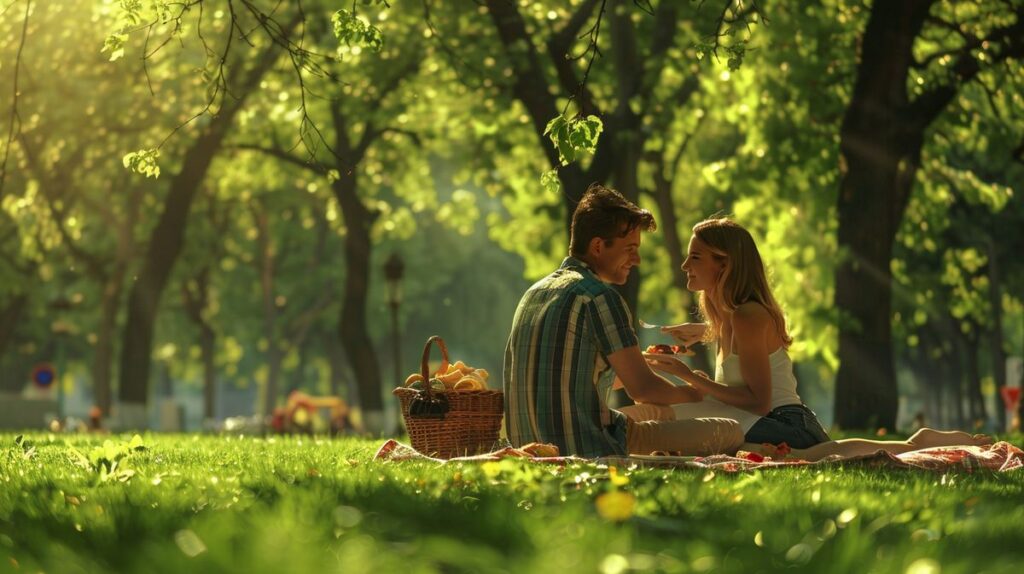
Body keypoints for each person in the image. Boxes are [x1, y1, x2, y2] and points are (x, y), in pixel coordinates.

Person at [635, 216, 991, 462]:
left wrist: (688, 376)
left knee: (691, 413)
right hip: (782, 424)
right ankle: (918, 442)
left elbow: (757, 402)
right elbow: (742, 356)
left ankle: (617, 433)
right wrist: (707, 333)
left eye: (695, 257)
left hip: (785, 424)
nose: (685, 265)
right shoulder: (732, 318)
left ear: (724, 265)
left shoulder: (747, 316)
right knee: (695, 415)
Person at [503, 184, 745, 458]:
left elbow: (578, 375)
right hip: (588, 448)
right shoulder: (599, 297)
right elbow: (644, 389)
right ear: (597, 246)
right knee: (730, 431)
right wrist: (695, 392)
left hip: (528, 451)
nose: (637, 259)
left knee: (660, 412)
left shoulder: (533, 294)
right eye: (630, 249)